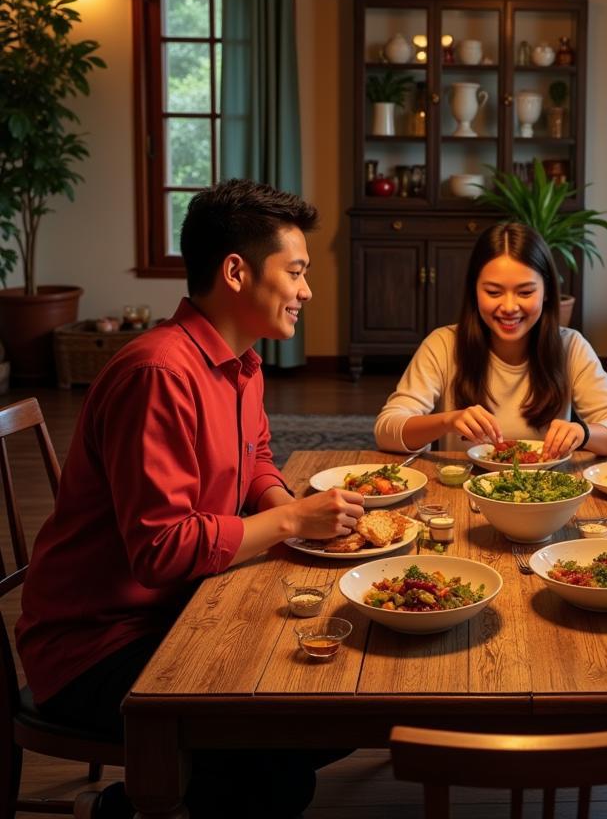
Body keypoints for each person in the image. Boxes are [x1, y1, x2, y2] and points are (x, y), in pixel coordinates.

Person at [17, 179, 364, 819]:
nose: (307, 291)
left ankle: (158, 793)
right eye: (296, 271)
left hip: (180, 607)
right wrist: (291, 518)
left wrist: (291, 509)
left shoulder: (241, 362)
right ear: (236, 271)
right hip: (97, 646)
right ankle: (133, 804)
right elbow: (160, 550)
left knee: (342, 698)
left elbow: (256, 459)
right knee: (284, 758)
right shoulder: (157, 374)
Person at [375, 222, 607, 459]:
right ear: (474, 291)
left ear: (546, 292)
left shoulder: (570, 346)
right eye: (493, 292)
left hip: (544, 498)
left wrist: (583, 433)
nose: (509, 307)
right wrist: (447, 421)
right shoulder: (443, 344)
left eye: (525, 292)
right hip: (461, 496)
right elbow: (386, 429)